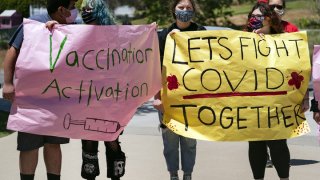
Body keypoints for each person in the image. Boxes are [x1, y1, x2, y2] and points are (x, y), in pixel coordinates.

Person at [2, 1, 78, 180]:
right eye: (72, 4)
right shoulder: (33, 24)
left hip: (58, 101)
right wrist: (7, 83)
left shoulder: (73, 27)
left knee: (53, 144)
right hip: (31, 101)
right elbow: (12, 52)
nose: (75, 9)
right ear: (61, 9)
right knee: (29, 146)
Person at [153, 0, 206, 180]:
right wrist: (157, 97)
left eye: (188, 8)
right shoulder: (164, 35)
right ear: (174, 10)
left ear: (194, 11)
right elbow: (156, 68)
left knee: (190, 140)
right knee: (170, 140)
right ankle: (173, 174)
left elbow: (208, 64)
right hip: (169, 96)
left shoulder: (200, 32)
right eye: (181, 7)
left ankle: (188, 174)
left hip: (192, 97)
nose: (184, 10)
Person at [244, 2, 294, 180]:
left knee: (278, 143)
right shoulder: (241, 41)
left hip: (276, 102)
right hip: (252, 102)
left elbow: (296, 68)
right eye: (253, 16)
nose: (256, 19)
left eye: (261, 16)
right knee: (256, 144)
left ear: (269, 19)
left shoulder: (283, 39)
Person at [80, 1, 126, 180]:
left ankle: (116, 176)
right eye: (83, 8)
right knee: (89, 140)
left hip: (110, 98)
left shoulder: (115, 35)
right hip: (86, 98)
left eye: (89, 8)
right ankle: (89, 176)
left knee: (111, 137)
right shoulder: (77, 31)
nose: (86, 11)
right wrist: (51, 26)